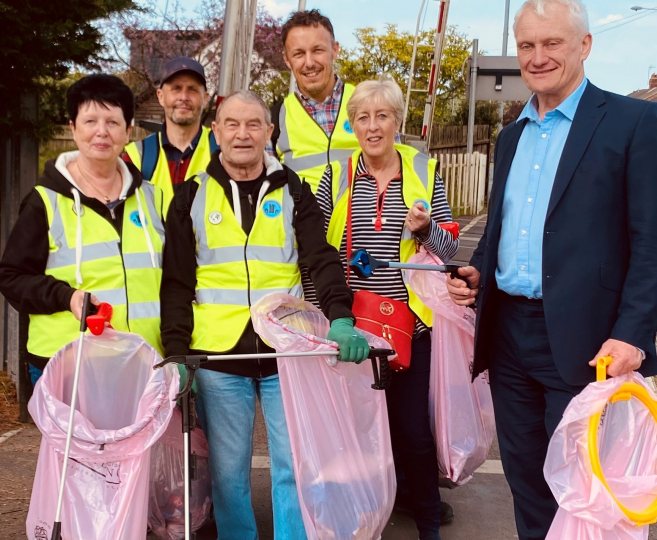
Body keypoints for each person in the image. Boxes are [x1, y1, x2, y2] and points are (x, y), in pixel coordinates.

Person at [446, 1, 657, 539]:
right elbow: (504, 228)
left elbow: (650, 241)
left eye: (552, 43)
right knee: (528, 484)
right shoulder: (511, 136)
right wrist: (477, 271)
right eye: (527, 46)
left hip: (589, 343)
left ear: (584, 46)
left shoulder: (634, 123)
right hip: (508, 337)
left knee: (587, 495)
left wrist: (632, 334)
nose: (538, 57)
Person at [160, 90, 370, 539]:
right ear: (215, 132)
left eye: (253, 124)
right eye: (231, 124)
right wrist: (176, 352)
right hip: (219, 357)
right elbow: (175, 282)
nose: (242, 133)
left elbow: (321, 256)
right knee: (229, 474)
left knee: (292, 465)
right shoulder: (190, 195)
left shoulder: (294, 188)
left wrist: (340, 315)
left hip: (285, 350)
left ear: (269, 132)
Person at [307, 78, 458, 540]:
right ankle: (364, 512)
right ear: (352, 125)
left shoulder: (423, 172)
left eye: (382, 116)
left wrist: (426, 227)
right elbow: (315, 252)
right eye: (363, 118)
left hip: (411, 325)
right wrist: (322, 320)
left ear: (397, 121)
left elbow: (449, 250)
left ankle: (427, 520)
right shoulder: (336, 176)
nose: (373, 127)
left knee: (414, 431)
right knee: (356, 429)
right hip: (353, 326)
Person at [0, 74, 165, 385]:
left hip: (143, 361)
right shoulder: (44, 201)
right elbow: (12, 277)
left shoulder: (153, 199)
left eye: (113, 123)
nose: (101, 132)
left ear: (128, 131)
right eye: (90, 121)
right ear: (73, 128)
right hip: (68, 363)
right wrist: (66, 297)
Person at [270, 9, 361, 193]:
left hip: (361, 221)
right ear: (287, 60)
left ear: (335, 50)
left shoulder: (367, 103)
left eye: (317, 50)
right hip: (301, 221)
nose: (309, 62)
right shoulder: (274, 119)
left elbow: (395, 170)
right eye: (299, 54)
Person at [123, 57, 218, 217]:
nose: (184, 97)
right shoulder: (136, 157)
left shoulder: (222, 150)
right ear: (160, 96)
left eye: (192, 89)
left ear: (205, 98)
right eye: (176, 88)